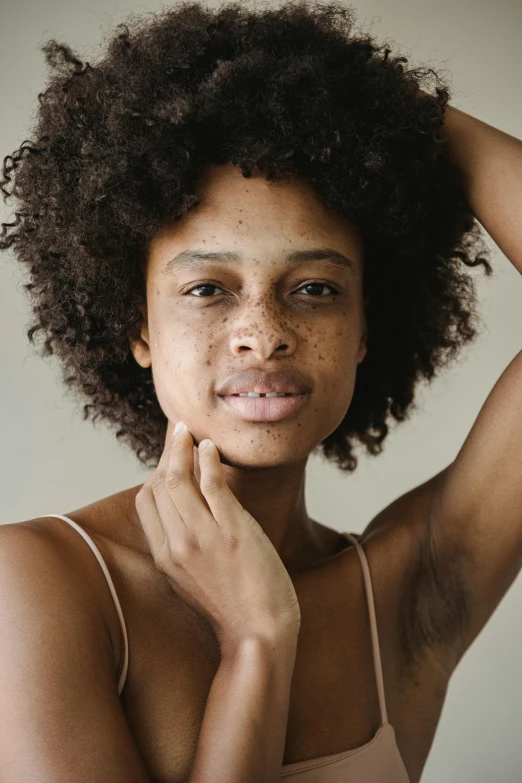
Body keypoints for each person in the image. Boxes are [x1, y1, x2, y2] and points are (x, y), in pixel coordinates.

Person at [1, 1, 521, 781]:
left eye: (314, 287)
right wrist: (257, 642)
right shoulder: (37, 586)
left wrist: (382, 109)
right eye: (208, 289)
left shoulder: (411, 594)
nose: (264, 331)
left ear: (366, 327)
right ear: (135, 326)